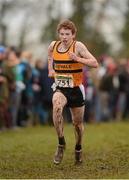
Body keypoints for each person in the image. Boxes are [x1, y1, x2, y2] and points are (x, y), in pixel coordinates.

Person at [48, 19, 98, 164]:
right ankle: (61, 143)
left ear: (73, 35)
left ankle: (78, 147)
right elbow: (50, 55)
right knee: (56, 106)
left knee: (77, 124)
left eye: (67, 34)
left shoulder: (78, 46)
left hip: (76, 89)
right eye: (61, 34)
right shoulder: (53, 45)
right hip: (61, 87)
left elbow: (95, 63)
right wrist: (50, 69)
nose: (64, 37)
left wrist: (78, 59)